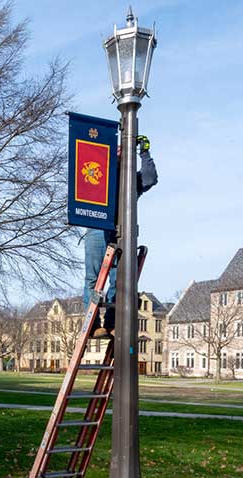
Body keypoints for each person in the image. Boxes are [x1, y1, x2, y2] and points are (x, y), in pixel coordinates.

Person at [83, 135, 158, 339]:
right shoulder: (101, 175)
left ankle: (111, 323)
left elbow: (150, 178)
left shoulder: (131, 181)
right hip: (97, 229)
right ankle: (91, 325)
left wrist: (144, 152)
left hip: (122, 232)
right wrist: (107, 158)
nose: (119, 153)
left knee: (119, 280)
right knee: (94, 278)